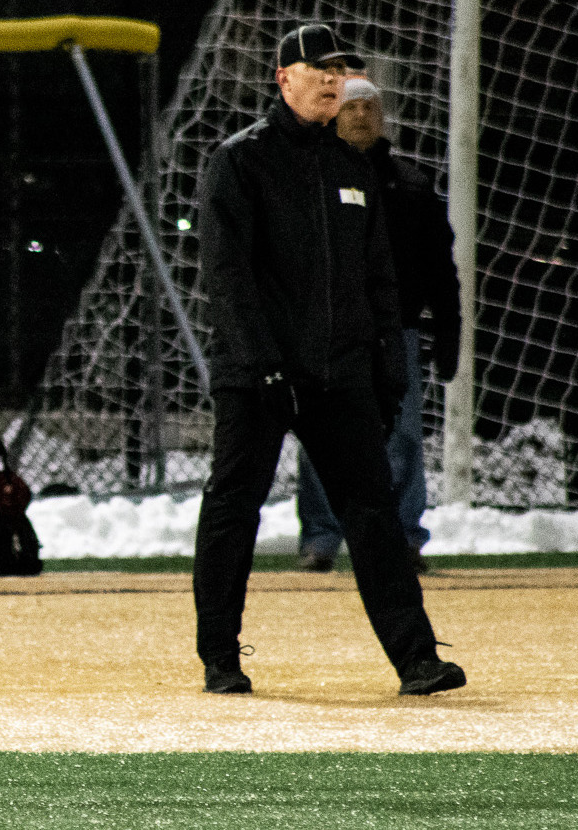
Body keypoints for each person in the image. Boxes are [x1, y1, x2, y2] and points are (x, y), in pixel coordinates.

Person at [192, 24, 466, 697]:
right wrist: (262, 366)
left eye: (341, 67)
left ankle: (417, 661)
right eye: (318, 65)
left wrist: (386, 370)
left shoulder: (354, 167)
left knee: (373, 513)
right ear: (282, 77)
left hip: (337, 374)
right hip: (257, 377)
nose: (331, 76)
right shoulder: (241, 161)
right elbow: (227, 277)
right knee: (234, 508)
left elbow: (377, 279)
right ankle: (220, 659)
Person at [296, 77, 461, 575]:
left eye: (370, 106)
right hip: (327, 331)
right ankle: (322, 537)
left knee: (404, 434)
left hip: (398, 331)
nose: (362, 115)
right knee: (321, 434)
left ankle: (403, 537)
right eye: (351, 106)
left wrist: (449, 327)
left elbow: (439, 266)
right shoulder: (310, 180)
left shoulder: (410, 186)